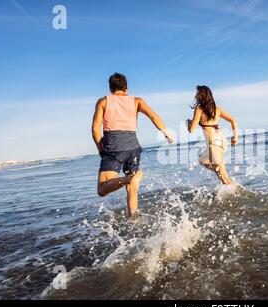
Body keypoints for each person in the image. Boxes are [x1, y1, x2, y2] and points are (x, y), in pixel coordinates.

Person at [92, 73, 175, 219]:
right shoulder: (137, 101)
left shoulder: (103, 102)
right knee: (132, 190)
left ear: (111, 88)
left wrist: (102, 152)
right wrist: (166, 132)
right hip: (133, 148)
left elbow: (95, 129)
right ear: (126, 88)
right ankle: (134, 220)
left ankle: (128, 179)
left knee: (102, 189)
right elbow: (153, 116)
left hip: (113, 147)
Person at [186, 85, 238, 185]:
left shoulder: (198, 110)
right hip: (221, 141)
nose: (196, 95)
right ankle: (229, 186)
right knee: (203, 160)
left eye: (197, 93)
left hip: (213, 144)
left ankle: (237, 192)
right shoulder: (217, 109)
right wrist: (235, 137)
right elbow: (233, 120)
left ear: (202, 95)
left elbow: (191, 130)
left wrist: (188, 123)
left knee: (223, 177)